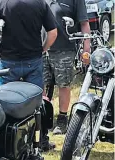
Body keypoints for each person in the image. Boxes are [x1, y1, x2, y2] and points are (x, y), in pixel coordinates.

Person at [0, 0, 58, 89]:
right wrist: (43, 49)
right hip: (33, 59)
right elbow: (53, 33)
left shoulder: (1, 3)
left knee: (5, 98)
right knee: (34, 98)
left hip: (8, 60)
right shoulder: (40, 3)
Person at [44, 0, 91, 135]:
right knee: (39, 83)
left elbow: (84, 23)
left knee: (63, 84)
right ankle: (43, 117)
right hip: (41, 47)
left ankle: (62, 119)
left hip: (64, 48)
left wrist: (86, 49)